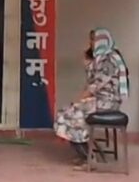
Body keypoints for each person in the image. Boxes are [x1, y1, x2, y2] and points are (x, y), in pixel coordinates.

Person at [55, 28, 129, 170]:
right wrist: (88, 61)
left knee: (66, 116)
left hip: (106, 103)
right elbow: (92, 81)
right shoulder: (102, 59)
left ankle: (89, 158)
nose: (91, 43)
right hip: (100, 101)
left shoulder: (108, 60)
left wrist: (78, 102)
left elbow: (93, 87)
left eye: (93, 40)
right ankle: (85, 154)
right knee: (67, 112)